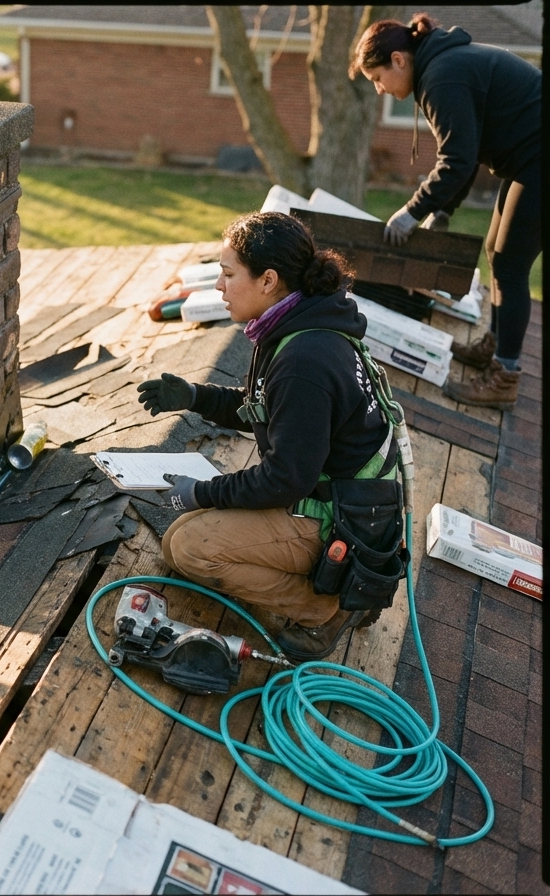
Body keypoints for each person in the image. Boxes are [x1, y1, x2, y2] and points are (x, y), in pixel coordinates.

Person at [137, 212, 400, 662]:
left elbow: (284, 479)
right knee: (182, 534)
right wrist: (196, 396)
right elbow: (265, 406)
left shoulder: (305, 359)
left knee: (187, 547)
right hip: (341, 500)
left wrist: (200, 492)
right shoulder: (298, 325)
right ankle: (329, 588)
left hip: (341, 522)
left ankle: (328, 607)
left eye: (227, 274)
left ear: (268, 280)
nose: (219, 287)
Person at [351, 13, 541, 409]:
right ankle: (497, 344)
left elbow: (456, 158)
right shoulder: (441, 68)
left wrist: (412, 212)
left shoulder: (442, 76)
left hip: (539, 159)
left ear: (399, 60)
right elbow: (467, 151)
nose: (380, 90)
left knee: (510, 262)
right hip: (528, 159)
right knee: (495, 250)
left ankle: (504, 377)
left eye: (377, 79)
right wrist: (444, 210)